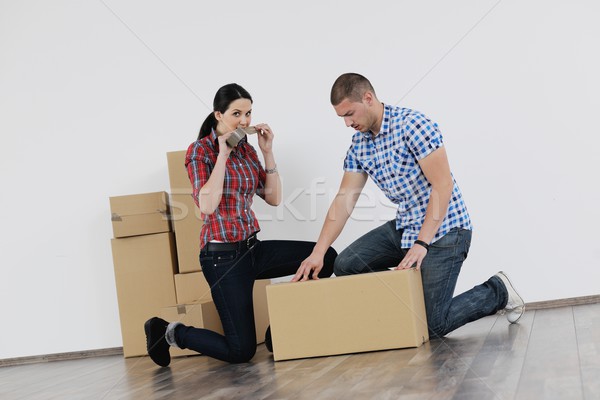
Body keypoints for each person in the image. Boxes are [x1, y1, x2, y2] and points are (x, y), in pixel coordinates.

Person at [293, 73, 524, 339]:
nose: (347, 123)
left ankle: (498, 291)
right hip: (406, 226)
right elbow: (344, 199)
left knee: (431, 326)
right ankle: (403, 310)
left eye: (350, 114)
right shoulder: (359, 145)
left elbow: (443, 186)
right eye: (341, 118)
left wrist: (421, 244)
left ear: (368, 98)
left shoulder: (412, 125)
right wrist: (318, 252)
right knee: (346, 265)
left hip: (446, 230)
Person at [144, 83, 337, 366]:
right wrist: (222, 155)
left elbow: (273, 197)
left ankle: (281, 329)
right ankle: (169, 332)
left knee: (326, 257)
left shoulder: (247, 151)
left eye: (248, 113)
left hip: (252, 250)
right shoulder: (200, 151)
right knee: (241, 351)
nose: (245, 121)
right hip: (222, 259)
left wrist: (268, 152)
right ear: (218, 115)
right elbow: (206, 205)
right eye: (237, 113)